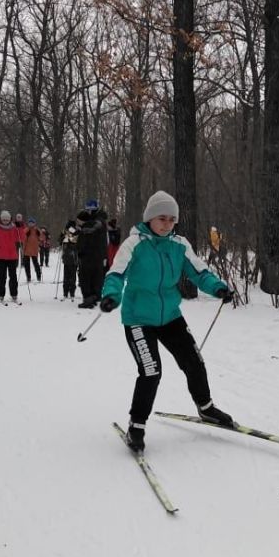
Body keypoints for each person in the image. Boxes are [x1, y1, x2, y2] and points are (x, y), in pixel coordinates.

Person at [100, 190, 234, 452]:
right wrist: (111, 296)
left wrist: (218, 287)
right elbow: (116, 274)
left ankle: (205, 408)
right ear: (150, 218)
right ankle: (137, 424)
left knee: (193, 361)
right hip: (139, 318)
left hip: (170, 316)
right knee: (151, 371)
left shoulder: (179, 244)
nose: (167, 224)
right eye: (162, 218)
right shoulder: (134, 244)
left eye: (172, 219)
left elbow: (199, 271)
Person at [76, 198, 108, 308]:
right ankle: (93, 296)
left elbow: (90, 229)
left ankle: (91, 297)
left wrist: (82, 225)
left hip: (93, 253)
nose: (88, 212)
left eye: (89, 210)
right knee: (92, 276)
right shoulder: (95, 220)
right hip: (89, 252)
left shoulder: (99, 221)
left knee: (89, 276)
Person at [61, 221, 79, 300]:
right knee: (67, 276)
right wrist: (63, 237)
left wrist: (69, 238)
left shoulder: (77, 232)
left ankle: (71, 292)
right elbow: (60, 241)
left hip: (74, 258)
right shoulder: (65, 232)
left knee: (72, 276)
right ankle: (66, 292)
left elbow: (76, 243)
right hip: (66, 257)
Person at [22, 217, 42, 283]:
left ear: (34, 223)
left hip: (34, 250)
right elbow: (22, 237)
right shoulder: (26, 230)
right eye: (30, 223)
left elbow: (41, 238)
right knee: (27, 265)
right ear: (28, 223)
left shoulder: (37, 230)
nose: (31, 224)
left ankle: (39, 276)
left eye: (32, 223)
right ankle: (28, 277)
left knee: (36, 264)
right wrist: (26, 234)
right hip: (26, 250)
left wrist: (39, 235)